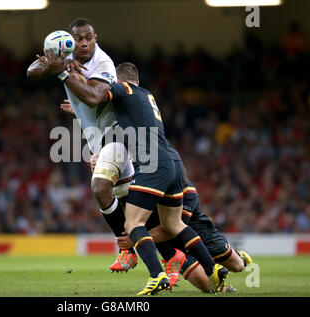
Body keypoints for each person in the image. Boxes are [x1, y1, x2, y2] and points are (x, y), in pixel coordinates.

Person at [55, 61, 229, 295]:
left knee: (133, 223)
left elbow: (96, 95)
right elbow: (112, 115)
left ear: (116, 80)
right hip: (174, 161)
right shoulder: (146, 96)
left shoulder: (122, 89)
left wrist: (68, 75)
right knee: (174, 225)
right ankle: (213, 269)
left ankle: (157, 276)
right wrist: (81, 110)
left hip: (152, 165)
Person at [27, 18, 135, 268]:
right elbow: (31, 72)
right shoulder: (65, 55)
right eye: (78, 39)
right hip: (99, 140)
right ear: (69, 41)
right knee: (127, 200)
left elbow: (96, 97)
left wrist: (63, 72)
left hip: (117, 135)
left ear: (96, 37)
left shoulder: (103, 63)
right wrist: (54, 60)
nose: (84, 44)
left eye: (89, 38)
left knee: (99, 188)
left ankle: (127, 248)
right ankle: (183, 257)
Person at [115, 179, 253, 293]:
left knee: (238, 266)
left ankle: (237, 255)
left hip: (201, 234)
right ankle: (222, 287)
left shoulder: (186, 189)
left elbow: (173, 229)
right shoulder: (145, 191)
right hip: (174, 245)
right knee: (207, 287)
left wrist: (136, 239)